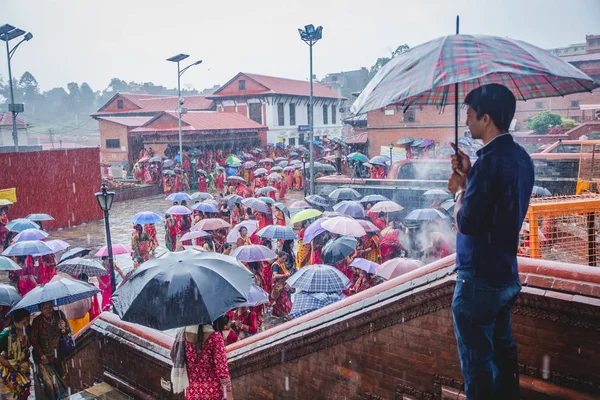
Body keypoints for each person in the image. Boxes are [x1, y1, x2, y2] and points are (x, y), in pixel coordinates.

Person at [447, 84, 534, 400]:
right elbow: (497, 209)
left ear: (486, 118)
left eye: (469, 115)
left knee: (478, 368)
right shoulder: (522, 159)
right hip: (505, 274)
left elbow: (467, 222)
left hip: (478, 281)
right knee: (503, 357)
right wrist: (471, 179)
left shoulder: (488, 163)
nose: (467, 122)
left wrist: (458, 189)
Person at [173, 316, 233, 400]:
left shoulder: (182, 336)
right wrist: (230, 397)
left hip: (192, 393)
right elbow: (222, 372)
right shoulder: (215, 337)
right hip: (213, 393)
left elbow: (176, 358)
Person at [30, 301, 72, 399]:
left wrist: (63, 328)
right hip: (44, 358)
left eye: (50, 307)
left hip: (58, 355)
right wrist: (41, 355)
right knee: (50, 385)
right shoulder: (37, 321)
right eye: (45, 308)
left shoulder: (59, 315)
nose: (49, 310)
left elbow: (68, 331)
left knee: (62, 378)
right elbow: (33, 340)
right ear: (40, 309)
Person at [0, 308, 31, 400]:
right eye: (24, 322)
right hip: (9, 372)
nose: (27, 324)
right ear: (15, 322)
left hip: (23, 371)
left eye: (28, 321)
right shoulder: (6, 334)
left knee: (23, 395)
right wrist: (8, 364)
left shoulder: (28, 331)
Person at [270, 252, 292, 321]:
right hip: (277, 286)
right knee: (284, 300)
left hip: (282, 285)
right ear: (278, 257)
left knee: (279, 300)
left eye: (285, 259)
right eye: (283, 258)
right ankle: (287, 314)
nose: (284, 260)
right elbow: (275, 275)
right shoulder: (275, 265)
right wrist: (285, 275)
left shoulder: (281, 264)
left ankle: (276, 314)